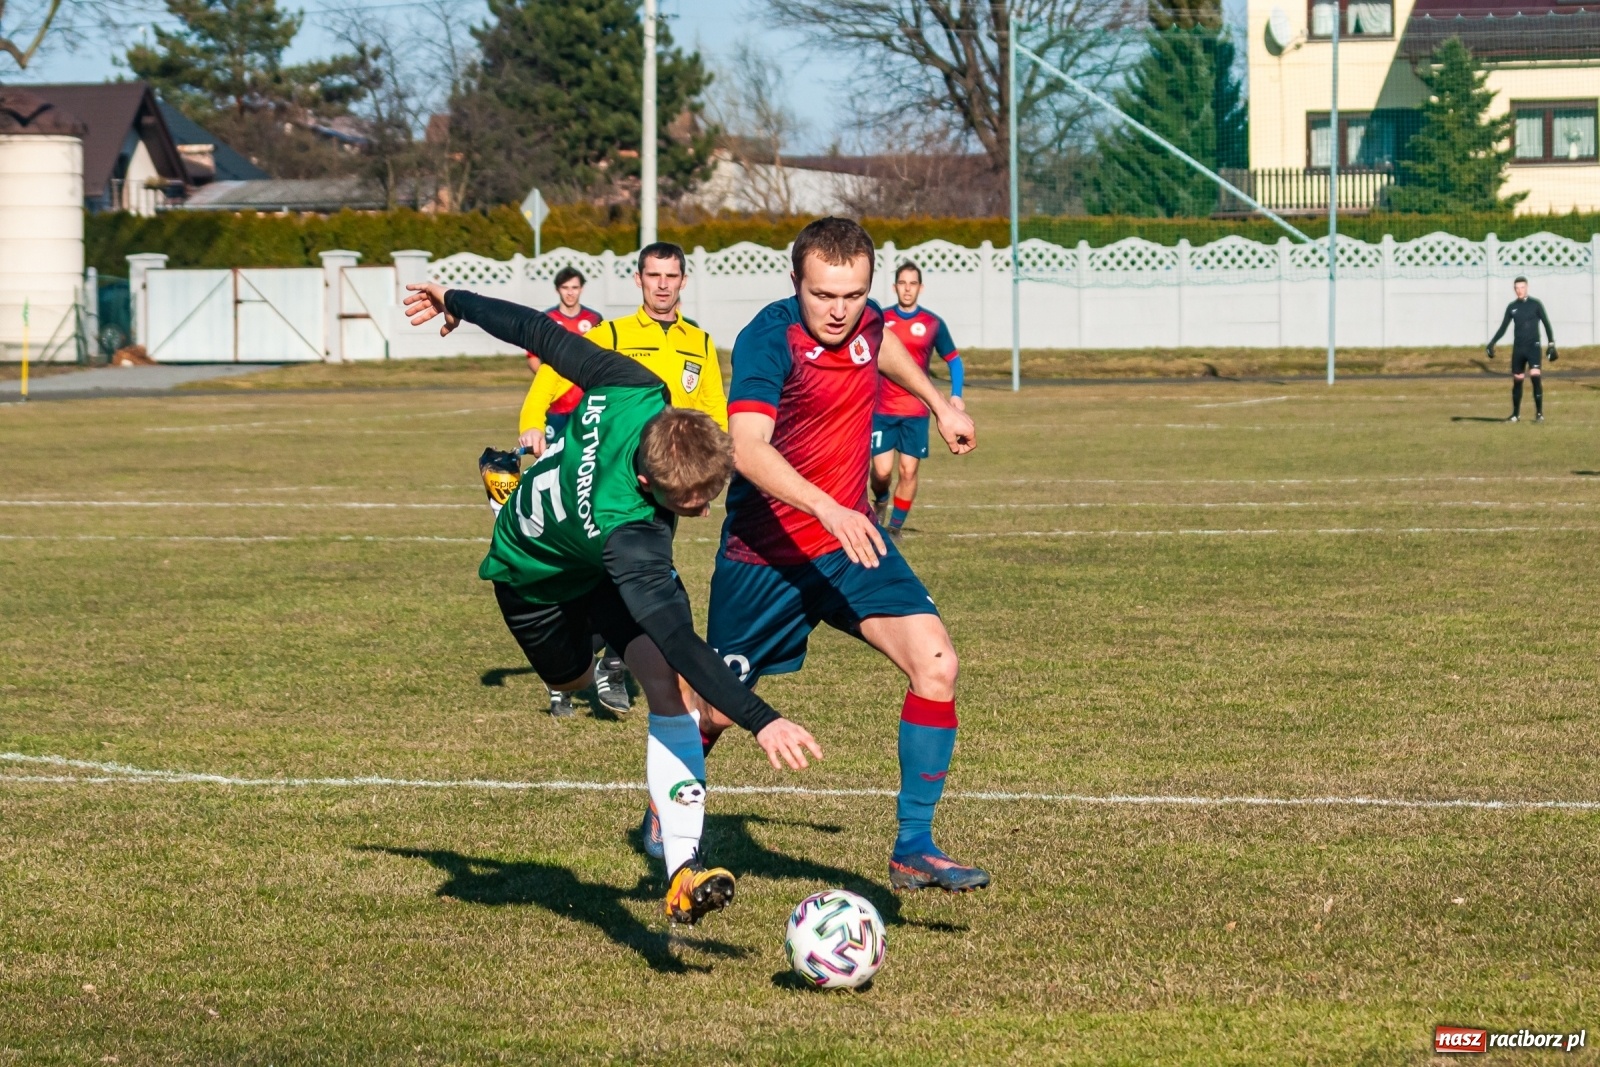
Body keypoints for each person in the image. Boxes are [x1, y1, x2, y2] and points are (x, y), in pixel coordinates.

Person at [404, 279, 822, 925]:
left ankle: (683, 869)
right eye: (693, 502)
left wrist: (456, 299)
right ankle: (512, 499)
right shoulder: (635, 538)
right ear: (652, 482)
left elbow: (540, 334)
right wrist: (764, 718)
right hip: (533, 577)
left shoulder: (634, 387)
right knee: (574, 678)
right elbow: (686, 640)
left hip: (592, 548)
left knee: (666, 686)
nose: (706, 508)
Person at [641, 218, 988, 893]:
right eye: (824, 294)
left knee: (937, 662)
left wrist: (938, 403)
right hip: (765, 555)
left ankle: (913, 844)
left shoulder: (867, 319)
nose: (839, 310)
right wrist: (826, 504)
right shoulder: (770, 340)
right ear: (796, 280)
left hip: (849, 545)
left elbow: (880, 344)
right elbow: (746, 445)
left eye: (853, 295)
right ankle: (670, 800)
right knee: (714, 708)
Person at [520, 244, 729, 718]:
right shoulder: (610, 333)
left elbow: (714, 415)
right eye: (653, 275)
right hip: (607, 478)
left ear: (683, 281)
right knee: (600, 575)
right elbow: (554, 369)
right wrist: (533, 417)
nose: (662, 284)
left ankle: (603, 664)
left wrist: (709, 477)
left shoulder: (699, 343)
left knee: (639, 578)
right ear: (638, 280)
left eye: (670, 276)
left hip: (662, 485)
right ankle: (576, 664)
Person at [870, 261, 966, 534]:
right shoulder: (880, 320)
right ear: (895, 287)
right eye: (903, 283)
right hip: (882, 409)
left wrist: (956, 395)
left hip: (916, 411)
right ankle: (881, 498)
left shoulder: (933, 323)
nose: (907, 289)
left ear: (920, 288)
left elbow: (954, 361)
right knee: (882, 472)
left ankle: (895, 529)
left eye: (913, 283)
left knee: (909, 470)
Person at [517, 267, 603, 446]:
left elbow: (602, 358)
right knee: (549, 454)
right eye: (565, 288)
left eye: (574, 287)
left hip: (585, 403)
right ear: (558, 289)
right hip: (555, 403)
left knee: (584, 454)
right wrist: (549, 383)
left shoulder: (594, 319)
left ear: (582, 289)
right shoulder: (547, 320)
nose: (570, 293)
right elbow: (532, 357)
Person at [1487, 276, 1557, 423]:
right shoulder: (1511, 307)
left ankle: (1539, 414)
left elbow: (1546, 324)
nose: (1520, 291)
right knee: (1518, 380)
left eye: (1522, 287)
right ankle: (1515, 415)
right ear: (1514, 289)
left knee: (1535, 377)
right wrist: (1492, 342)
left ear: (1527, 288)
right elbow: (1503, 327)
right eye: (1517, 288)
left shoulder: (1536, 304)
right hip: (1519, 348)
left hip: (1533, 347)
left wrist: (1551, 344)